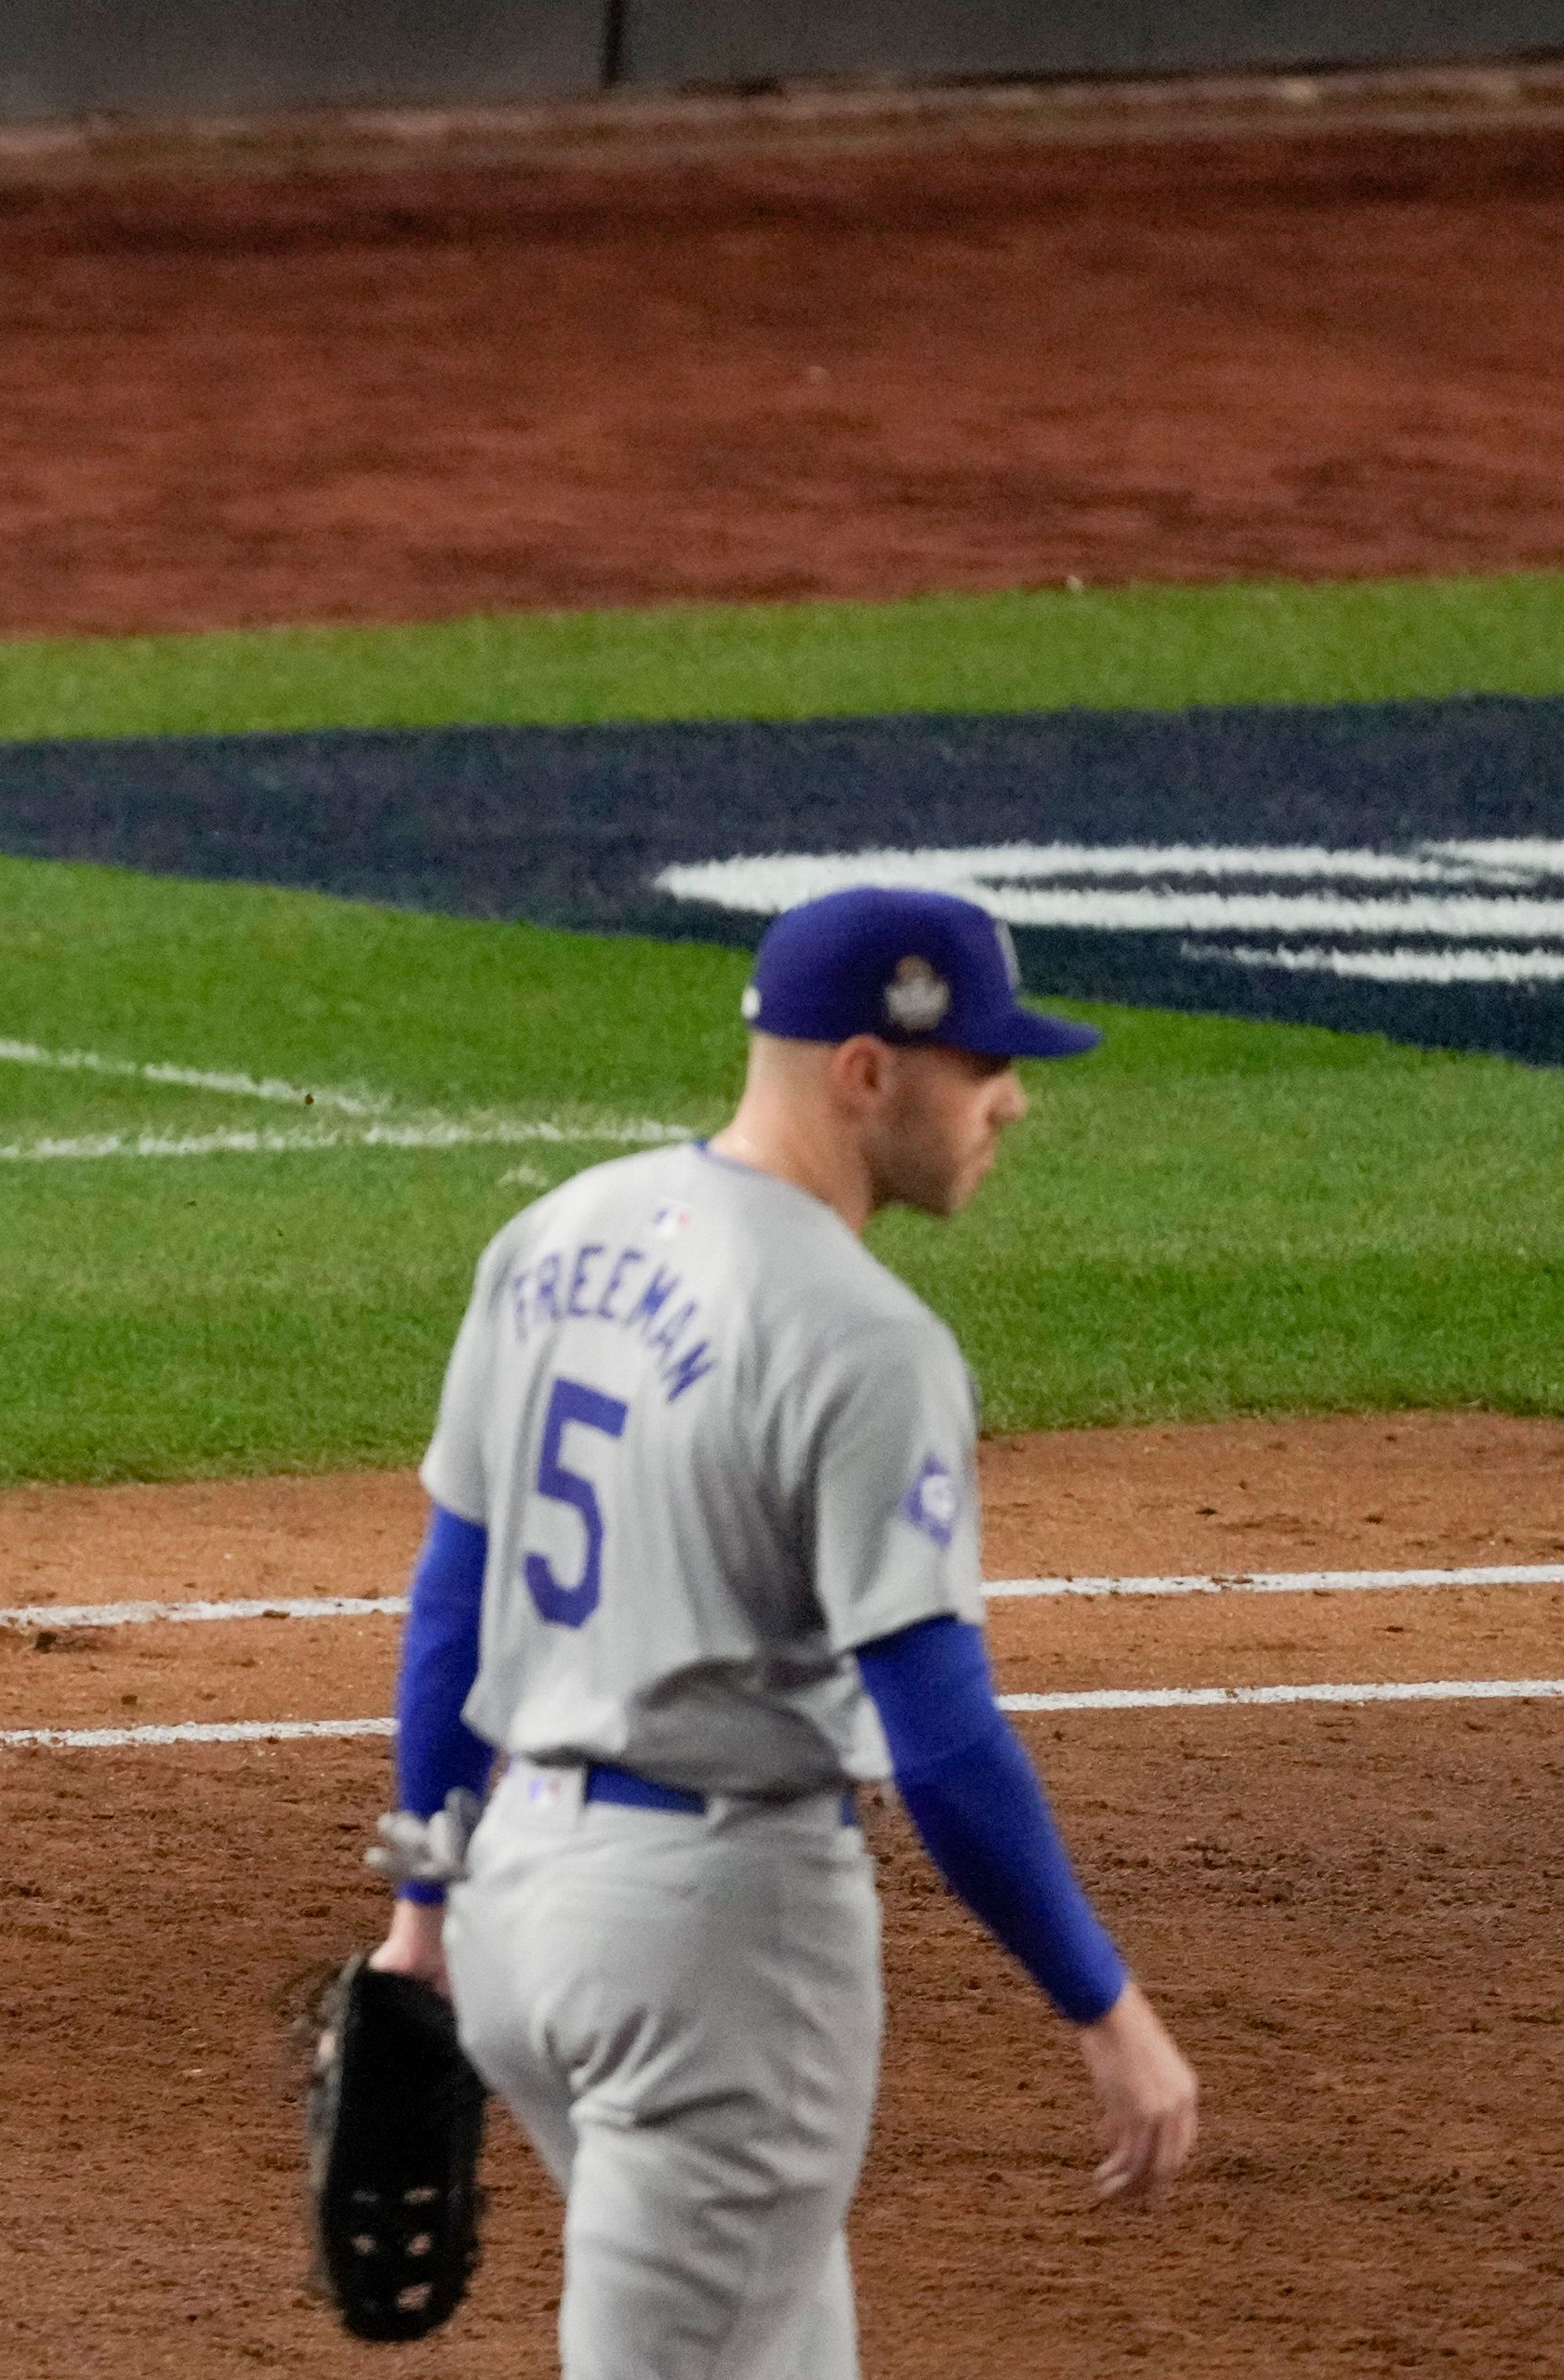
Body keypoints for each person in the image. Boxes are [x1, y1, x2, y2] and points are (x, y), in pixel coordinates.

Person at [364, 885, 1199, 2376]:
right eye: (981, 1067)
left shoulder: (553, 1236)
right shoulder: (860, 1338)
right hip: (710, 1952)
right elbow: (940, 1735)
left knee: (779, 2343)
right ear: (866, 1073)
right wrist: (1105, 2005)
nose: (1009, 1102)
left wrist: (425, 1905)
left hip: (515, 1920)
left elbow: (451, 1606)